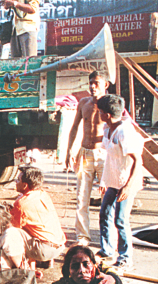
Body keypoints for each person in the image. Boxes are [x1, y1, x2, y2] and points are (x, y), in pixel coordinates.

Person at [97, 94, 145, 272]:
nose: (99, 115)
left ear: (107, 114)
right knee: (105, 214)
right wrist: (104, 180)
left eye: (100, 112)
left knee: (120, 220)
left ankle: (125, 258)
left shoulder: (125, 131)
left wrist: (128, 186)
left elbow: (137, 161)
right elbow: (109, 158)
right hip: (113, 181)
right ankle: (107, 250)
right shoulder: (107, 128)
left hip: (126, 182)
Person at [65, 71, 109, 246]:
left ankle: (108, 240)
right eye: (91, 83)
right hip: (85, 153)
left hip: (104, 154)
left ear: (105, 85)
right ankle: (82, 237)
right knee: (82, 197)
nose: (92, 86)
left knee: (107, 198)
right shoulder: (83, 103)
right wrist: (69, 151)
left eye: (97, 83)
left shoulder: (110, 104)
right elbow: (74, 127)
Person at [10, 166, 66, 268]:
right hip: (59, 247)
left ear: (25, 185)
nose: (16, 181)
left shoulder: (21, 203)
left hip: (44, 250)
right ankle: (49, 261)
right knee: (35, 226)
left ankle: (27, 268)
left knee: (10, 233)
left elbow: (15, 227)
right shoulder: (43, 194)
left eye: (18, 180)